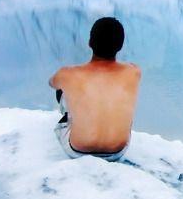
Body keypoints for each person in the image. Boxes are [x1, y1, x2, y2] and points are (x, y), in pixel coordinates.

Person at [49, 17, 141, 161]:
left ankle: (76, 124)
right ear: (120, 46)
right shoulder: (134, 72)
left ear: (90, 42)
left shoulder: (68, 74)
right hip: (118, 151)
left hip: (77, 150)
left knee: (63, 89)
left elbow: (53, 83)